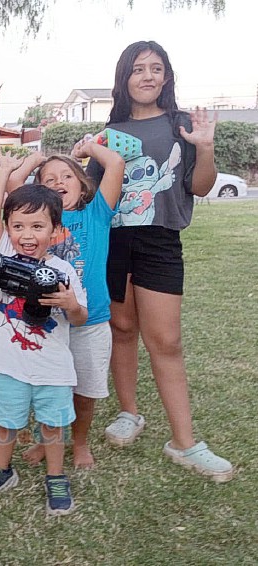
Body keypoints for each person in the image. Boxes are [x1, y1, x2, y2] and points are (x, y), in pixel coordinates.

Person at [85, 40, 233, 481]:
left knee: (166, 341)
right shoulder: (109, 131)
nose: (147, 76)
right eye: (138, 69)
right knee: (122, 329)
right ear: (124, 78)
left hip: (160, 241)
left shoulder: (182, 124)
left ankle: (184, 443)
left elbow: (201, 187)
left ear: (166, 77)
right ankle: (129, 412)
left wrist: (204, 148)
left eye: (156, 68)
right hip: (112, 242)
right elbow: (94, 195)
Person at [0, 181, 87, 515]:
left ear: (55, 230)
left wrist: (69, 303)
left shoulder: (63, 271)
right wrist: (4, 171)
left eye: (38, 226)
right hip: (9, 364)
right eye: (18, 226)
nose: (27, 235)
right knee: (5, 421)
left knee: (52, 424)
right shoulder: (4, 259)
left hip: (52, 369)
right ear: (8, 229)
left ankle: (56, 476)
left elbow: (81, 318)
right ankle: (2, 469)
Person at [7, 142, 124, 469]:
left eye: (67, 176)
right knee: (49, 391)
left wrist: (87, 147)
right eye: (48, 179)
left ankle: (80, 442)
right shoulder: (37, 218)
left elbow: (114, 164)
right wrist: (35, 159)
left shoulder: (96, 212)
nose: (58, 182)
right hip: (49, 325)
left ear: (82, 183)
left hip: (92, 323)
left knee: (85, 392)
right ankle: (49, 442)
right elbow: (13, 183)